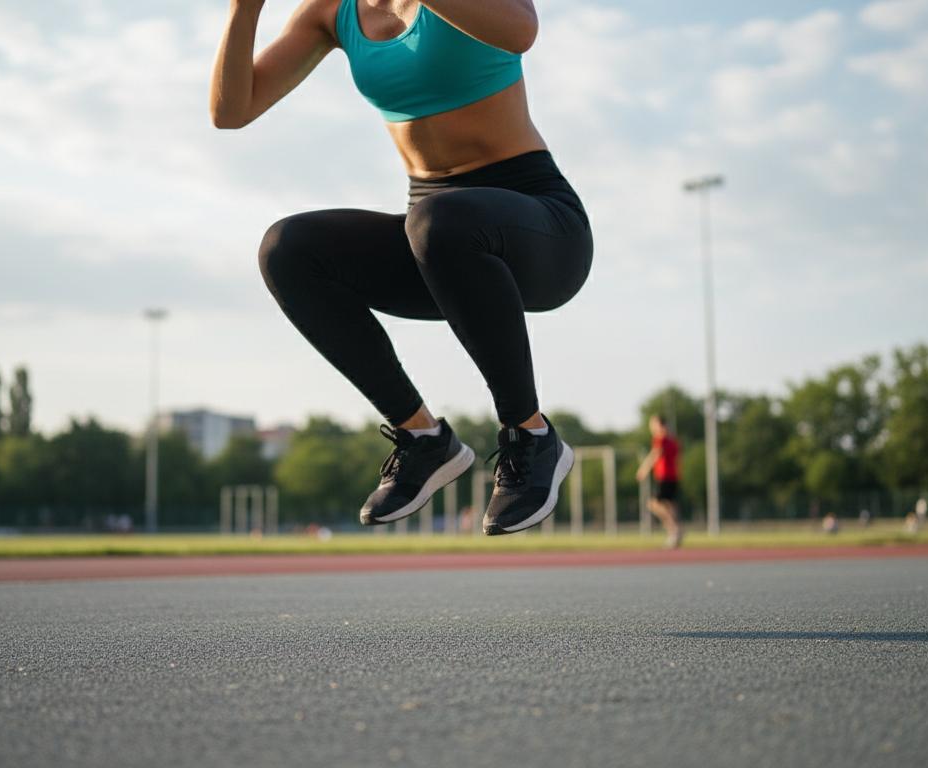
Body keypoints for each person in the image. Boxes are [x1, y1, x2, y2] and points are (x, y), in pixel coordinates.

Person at [212, 0, 592, 535]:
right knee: (288, 248)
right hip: (437, 244)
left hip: (541, 227)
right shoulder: (330, 12)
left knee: (439, 221)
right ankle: (423, 439)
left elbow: (521, 31)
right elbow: (232, 111)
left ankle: (531, 436)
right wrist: (243, 9)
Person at [635, 415, 682, 548]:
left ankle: (675, 530)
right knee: (670, 507)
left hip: (665, 477)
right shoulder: (672, 440)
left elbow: (656, 454)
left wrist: (644, 469)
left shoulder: (661, 439)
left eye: (653, 425)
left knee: (653, 504)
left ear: (660, 425)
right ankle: (674, 534)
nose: (652, 428)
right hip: (673, 477)